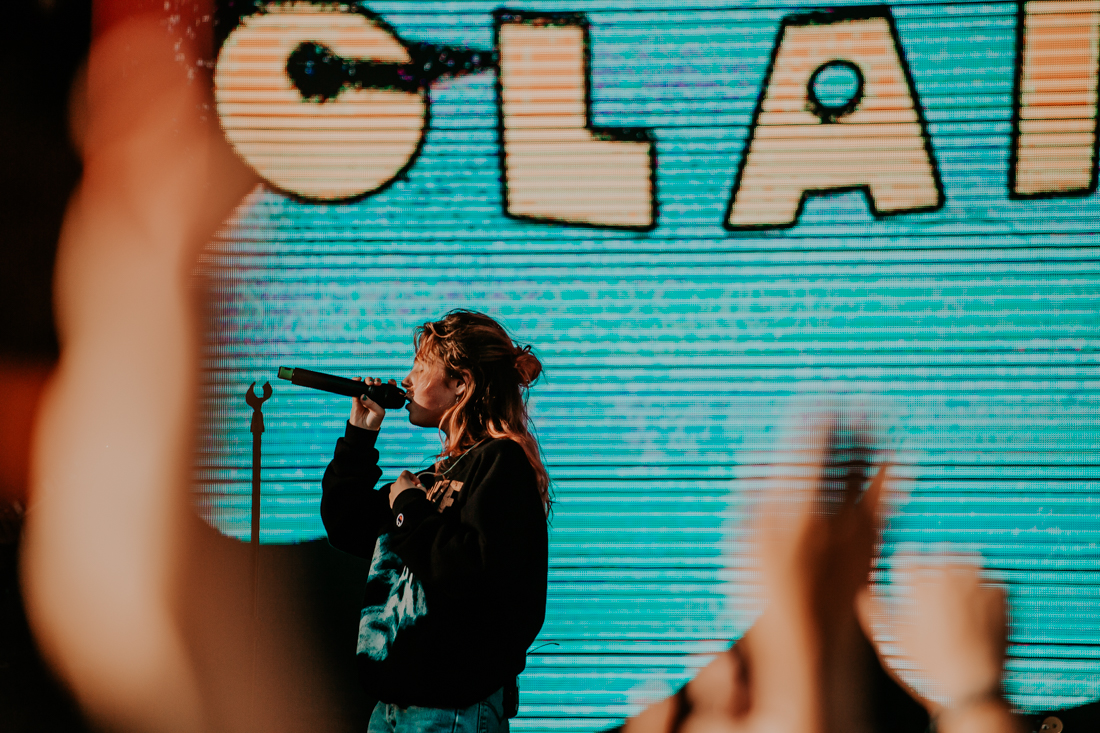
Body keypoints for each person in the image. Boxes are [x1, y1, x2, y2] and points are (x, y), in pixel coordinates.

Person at [320, 309, 550, 733]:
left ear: (461, 383)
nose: (406, 380)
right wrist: (360, 434)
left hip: (451, 711)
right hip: (390, 705)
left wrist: (409, 505)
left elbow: (471, 570)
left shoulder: (500, 463)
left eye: (420, 366)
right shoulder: (435, 479)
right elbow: (345, 524)